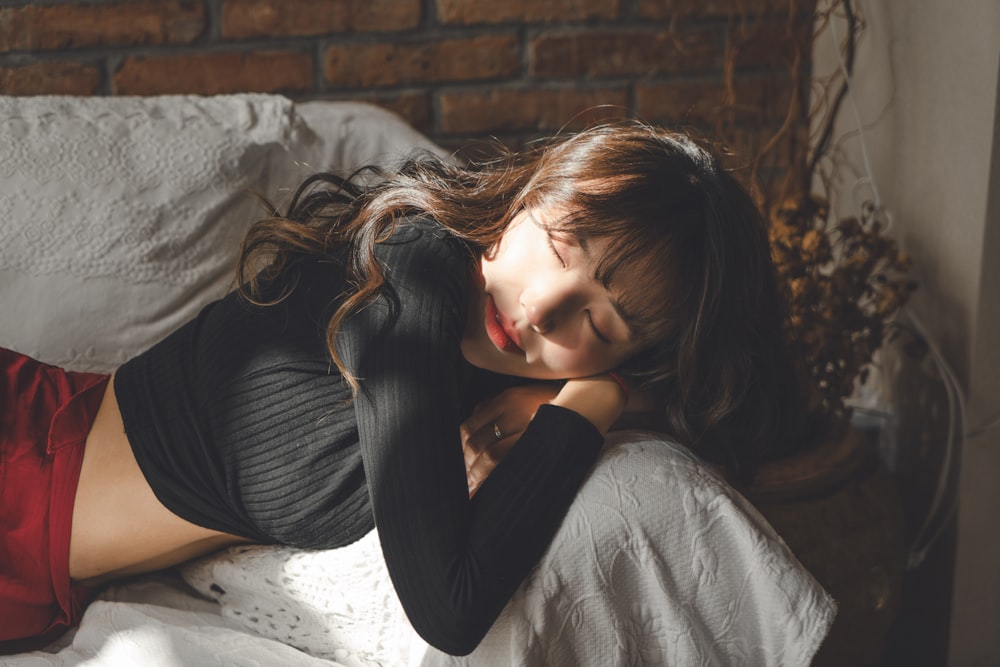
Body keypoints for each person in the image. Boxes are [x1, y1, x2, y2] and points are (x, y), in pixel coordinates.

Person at [0, 120, 802, 655]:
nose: (543, 310)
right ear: (530, 198)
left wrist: (588, 397)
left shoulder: (480, 359)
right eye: (566, 243)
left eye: (603, 319)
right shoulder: (410, 277)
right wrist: (592, 404)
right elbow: (449, 608)